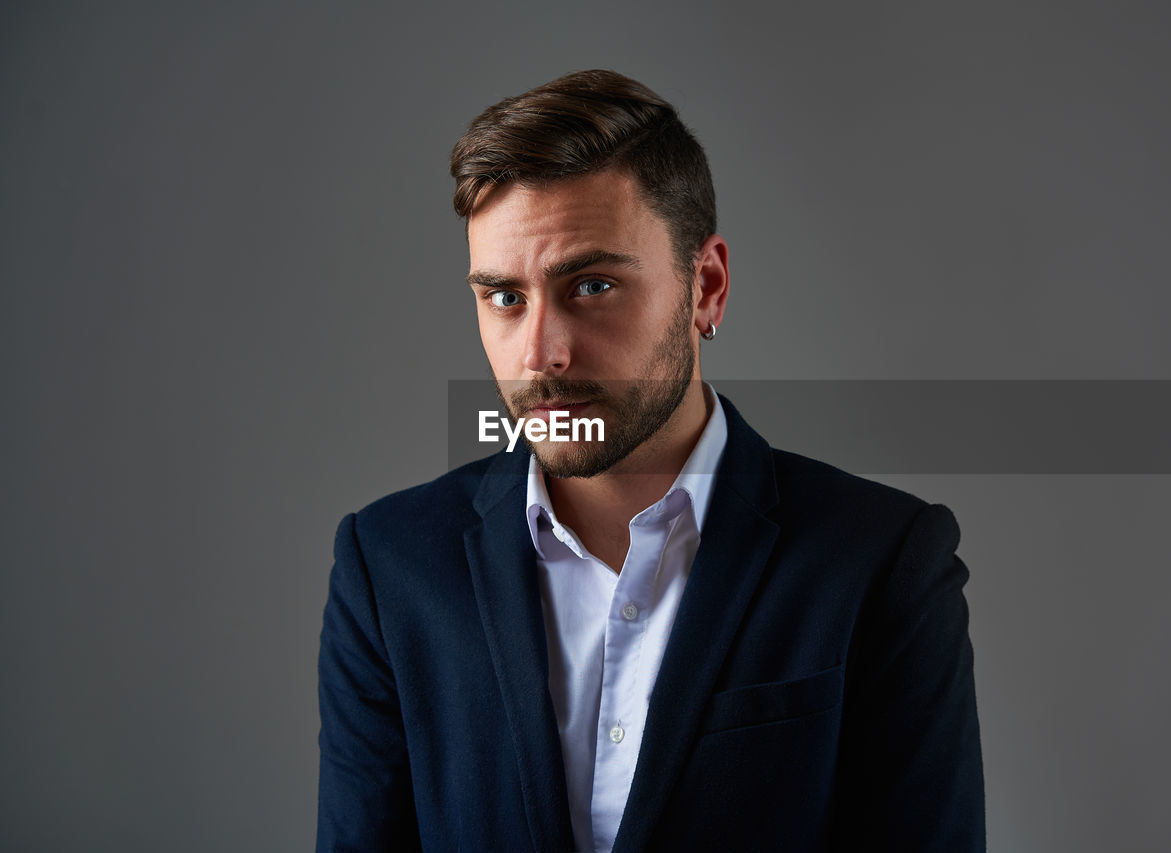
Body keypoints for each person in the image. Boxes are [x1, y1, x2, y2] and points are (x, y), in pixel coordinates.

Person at [317, 69, 984, 853]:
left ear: (706, 286)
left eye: (591, 284)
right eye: (504, 296)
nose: (542, 353)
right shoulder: (389, 568)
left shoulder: (881, 563)